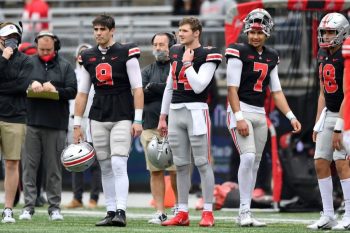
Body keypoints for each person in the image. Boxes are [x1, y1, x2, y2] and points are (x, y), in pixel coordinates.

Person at [225, 8, 301, 227]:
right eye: (252, 32)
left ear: (267, 33)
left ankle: (247, 211)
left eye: (259, 32)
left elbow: (276, 91)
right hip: (241, 110)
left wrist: (290, 116)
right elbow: (232, 89)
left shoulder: (271, 56)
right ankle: (243, 211)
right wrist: (238, 117)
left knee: (256, 163)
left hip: (260, 113)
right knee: (247, 158)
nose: (255, 36)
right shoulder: (237, 51)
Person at [73, 14, 143, 227]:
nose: (98, 33)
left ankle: (121, 210)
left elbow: (137, 88)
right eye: (95, 30)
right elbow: (83, 93)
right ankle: (110, 210)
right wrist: (77, 123)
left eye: (102, 29)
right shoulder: (87, 56)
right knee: (104, 165)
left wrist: (138, 119)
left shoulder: (126, 52)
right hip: (98, 114)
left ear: (112, 30)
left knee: (118, 162)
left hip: (122, 113)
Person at [158, 16, 222, 227]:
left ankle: (207, 211)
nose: (180, 33)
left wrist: (187, 63)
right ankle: (182, 212)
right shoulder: (175, 50)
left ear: (197, 33)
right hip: (176, 112)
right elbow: (170, 84)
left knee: (202, 163)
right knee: (181, 165)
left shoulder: (207, 54)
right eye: (179, 30)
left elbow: (199, 86)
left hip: (197, 111)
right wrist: (163, 116)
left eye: (185, 30)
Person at [19, 31, 77, 221]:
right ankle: (28, 206)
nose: (44, 52)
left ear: (56, 47)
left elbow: (73, 91)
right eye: (41, 49)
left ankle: (54, 207)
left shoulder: (65, 66)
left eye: (48, 49)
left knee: (54, 169)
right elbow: (17, 83)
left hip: (56, 124)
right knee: (29, 167)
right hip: (30, 122)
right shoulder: (27, 63)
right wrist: (30, 83)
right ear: (36, 47)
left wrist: (56, 90)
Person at [307, 13, 350, 230]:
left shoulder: (346, 55)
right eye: (324, 32)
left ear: (342, 32)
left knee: (342, 163)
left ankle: (349, 214)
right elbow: (323, 92)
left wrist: (339, 126)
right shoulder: (322, 54)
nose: (326, 36)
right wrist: (318, 122)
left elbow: (348, 93)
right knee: (320, 161)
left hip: (347, 114)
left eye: (331, 31)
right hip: (329, 113)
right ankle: (328, 214)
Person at [140, 32, 178, 224]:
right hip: (150, 126)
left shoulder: (177, 67)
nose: (158, 48)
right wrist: (160, 88)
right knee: (155, 170)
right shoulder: (147, 70)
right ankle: (160, 211)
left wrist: (154, 88)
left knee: (175, 170)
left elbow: (176, 91)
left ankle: (179, 208)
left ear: (171, 46)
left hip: (174, 127)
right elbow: (140, 94)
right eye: (155, 44)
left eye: (162, 44)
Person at [0, 22, 34, 223]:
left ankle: (8, 209)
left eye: (14, 37)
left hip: (16, 117)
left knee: (12, 163)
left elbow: (21, 86)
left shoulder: (26, 61)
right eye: (7, 37)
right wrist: (4, 59)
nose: (11, 41)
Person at [65, 43, 101, 209]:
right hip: (75, 120)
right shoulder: (71, 74)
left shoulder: (96, 74)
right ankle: (77, 197)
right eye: (81, 53)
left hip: (91, 119)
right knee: (75, 160)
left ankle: (94, 197)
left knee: (94, 161)